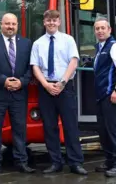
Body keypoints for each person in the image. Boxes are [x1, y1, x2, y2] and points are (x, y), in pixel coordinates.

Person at [30, 9, 88, 175]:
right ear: (44, 22)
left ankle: (76, 163)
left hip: (65, 87)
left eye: (54, 20)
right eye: (48, 20)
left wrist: (62, 82)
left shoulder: (68, 40)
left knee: (70, 127)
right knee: (50, 127)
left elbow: (74, 61)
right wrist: (46, 85)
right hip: (45, 88)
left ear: (59, 22)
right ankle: (56, 162)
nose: (51, 23)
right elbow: (35, 67)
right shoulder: (38, 43)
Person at [0, 13, 35, 175]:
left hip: (19, 94)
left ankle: (21, 162)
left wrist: (21, 82)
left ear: (17, 25)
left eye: (13, 24)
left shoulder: (26, 43)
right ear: (1, 25)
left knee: (20, 129)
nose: (10, 27)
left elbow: (31, 67)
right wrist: (4, 81)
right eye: (7, 24)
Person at [92, 17, 116, 177]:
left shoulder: (115, 47)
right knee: (104, 130)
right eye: (97, 28)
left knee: (115, 130)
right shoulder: (100, 48)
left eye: (103, 28)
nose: (100, 31)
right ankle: (110, 161)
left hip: (111, 95)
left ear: (109, 30)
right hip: (100, 97)